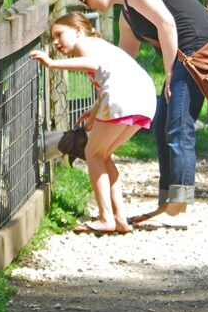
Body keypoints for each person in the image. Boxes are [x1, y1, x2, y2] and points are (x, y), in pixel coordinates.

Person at [69, 0, 208, 230]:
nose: (86, 5)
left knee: (178, 126)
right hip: (182, 56)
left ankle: (178, 210)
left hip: (196, 51)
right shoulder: (126, 13)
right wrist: (102, 103)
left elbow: (167, 24)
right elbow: (122, 66)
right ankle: (167, 204)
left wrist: (170, 70)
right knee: (162, 124)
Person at [30, 12, 155, 234]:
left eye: (59, 34)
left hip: (124, 96)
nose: (56, 42)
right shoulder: (99, 45)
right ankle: (120, 218)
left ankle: (106, 218)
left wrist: (51, 64)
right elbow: (107, 74)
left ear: (78, 31)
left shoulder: (86, 45)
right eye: (53, 38)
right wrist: (95, 109)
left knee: (93, 153)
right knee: (103, 154)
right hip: (144, 99)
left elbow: (94, 64)